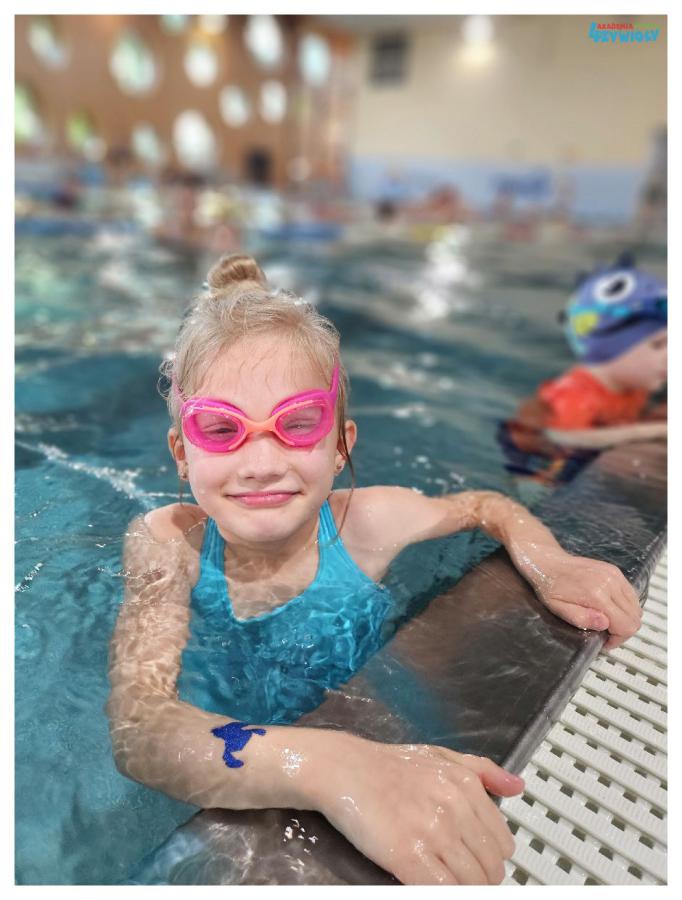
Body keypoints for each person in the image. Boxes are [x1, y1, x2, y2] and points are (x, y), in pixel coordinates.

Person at [107, 254, 643, 886]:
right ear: (181, 452)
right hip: (243, 736)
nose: (260, 464)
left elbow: (485, 506)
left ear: (341, 445)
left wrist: (549, 563)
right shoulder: (168, 540)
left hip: (360, 705)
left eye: (298, 423)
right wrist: (331, 766)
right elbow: (141, 726)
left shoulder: (369, 521)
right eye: (221, 428)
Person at [499, 256, 667, 489]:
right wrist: (652, 431)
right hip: (543, 463)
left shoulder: (637, 385)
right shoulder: (575, 395)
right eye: (658, 345)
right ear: (610, 347)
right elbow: (562, 437)